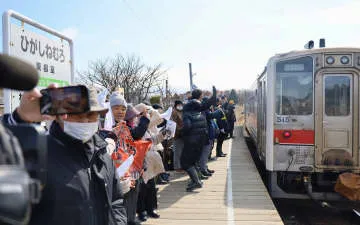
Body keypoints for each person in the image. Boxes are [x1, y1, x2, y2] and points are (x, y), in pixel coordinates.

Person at [4, 86, 127, 225]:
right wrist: (19, 118)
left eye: (91, 115)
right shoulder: (40, 152)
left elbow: (116, 201)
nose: (85, 121)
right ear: (60, 116)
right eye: (78, 115)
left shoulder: (102, 152)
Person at [110, 93, 150, 225]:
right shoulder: (103, 128)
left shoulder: (124, 126)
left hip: (131, 172)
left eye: (123, 108)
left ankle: (131, 220)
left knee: (131, 204)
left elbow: (133, 140)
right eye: (116, 108)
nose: (120, 111)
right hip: (114, 175)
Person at [181, 89, 208, 192]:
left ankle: (197, 182)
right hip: (200, 142)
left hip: (191, 142)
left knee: (185, 163)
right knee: (193, 162)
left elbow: (187, 127)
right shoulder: (201, 114)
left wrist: (182, 132)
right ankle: (195, 181)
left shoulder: (187, 114)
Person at [171, 100, 184, 172]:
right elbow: (174, 124)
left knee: (181, 151)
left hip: (182, 134)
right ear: (176, 105)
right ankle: (177, 167)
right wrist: (181, 129)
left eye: (181, 104)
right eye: (179, 104)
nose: (180, 106)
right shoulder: (174, 112)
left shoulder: (182, 112)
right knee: (177, 152)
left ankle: (181, 166)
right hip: (177, 134)